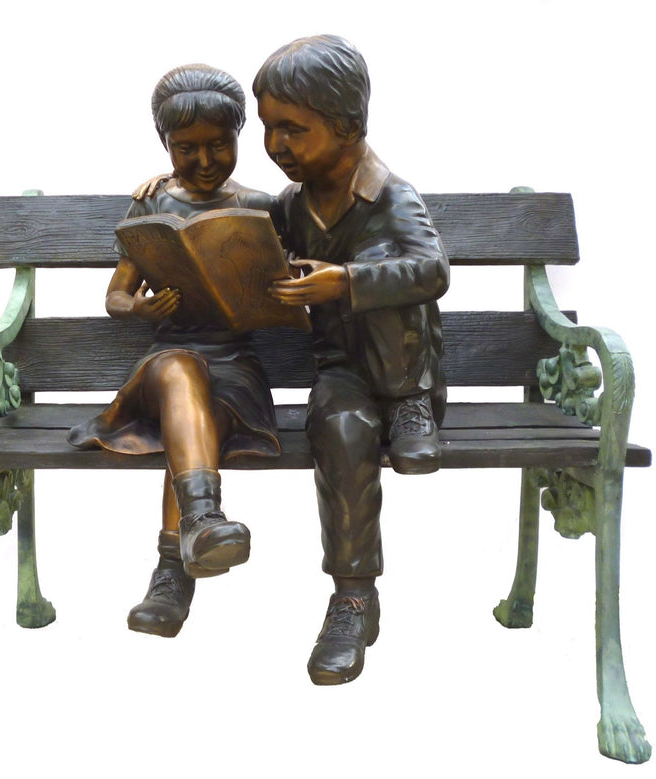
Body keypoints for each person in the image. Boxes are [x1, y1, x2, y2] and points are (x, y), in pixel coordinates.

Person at [256, 35, 450, 684]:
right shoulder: (291, 205)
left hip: (406, 372)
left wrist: (342, 281)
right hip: (342, 375)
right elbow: (240, 230)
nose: (276, 144)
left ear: (348, 129)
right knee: (339, 427)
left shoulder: (392, 196)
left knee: (382, 269)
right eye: (267, 129)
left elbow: (432, 269)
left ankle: (410, 408)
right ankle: (352, 597)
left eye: (292, 129)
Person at [68, 64, 281, 638]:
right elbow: (116, 294)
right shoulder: (153, 206)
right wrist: (137, 309)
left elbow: (297, 282)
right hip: (161, 371)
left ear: (241, 137)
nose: (206, 162)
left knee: (200, 410)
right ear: (166, 146)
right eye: (187, 149)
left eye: (219, 145)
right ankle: (202, 522)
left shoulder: (264, 204)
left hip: (234, 370)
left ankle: (173, 571)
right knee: (180, 369)